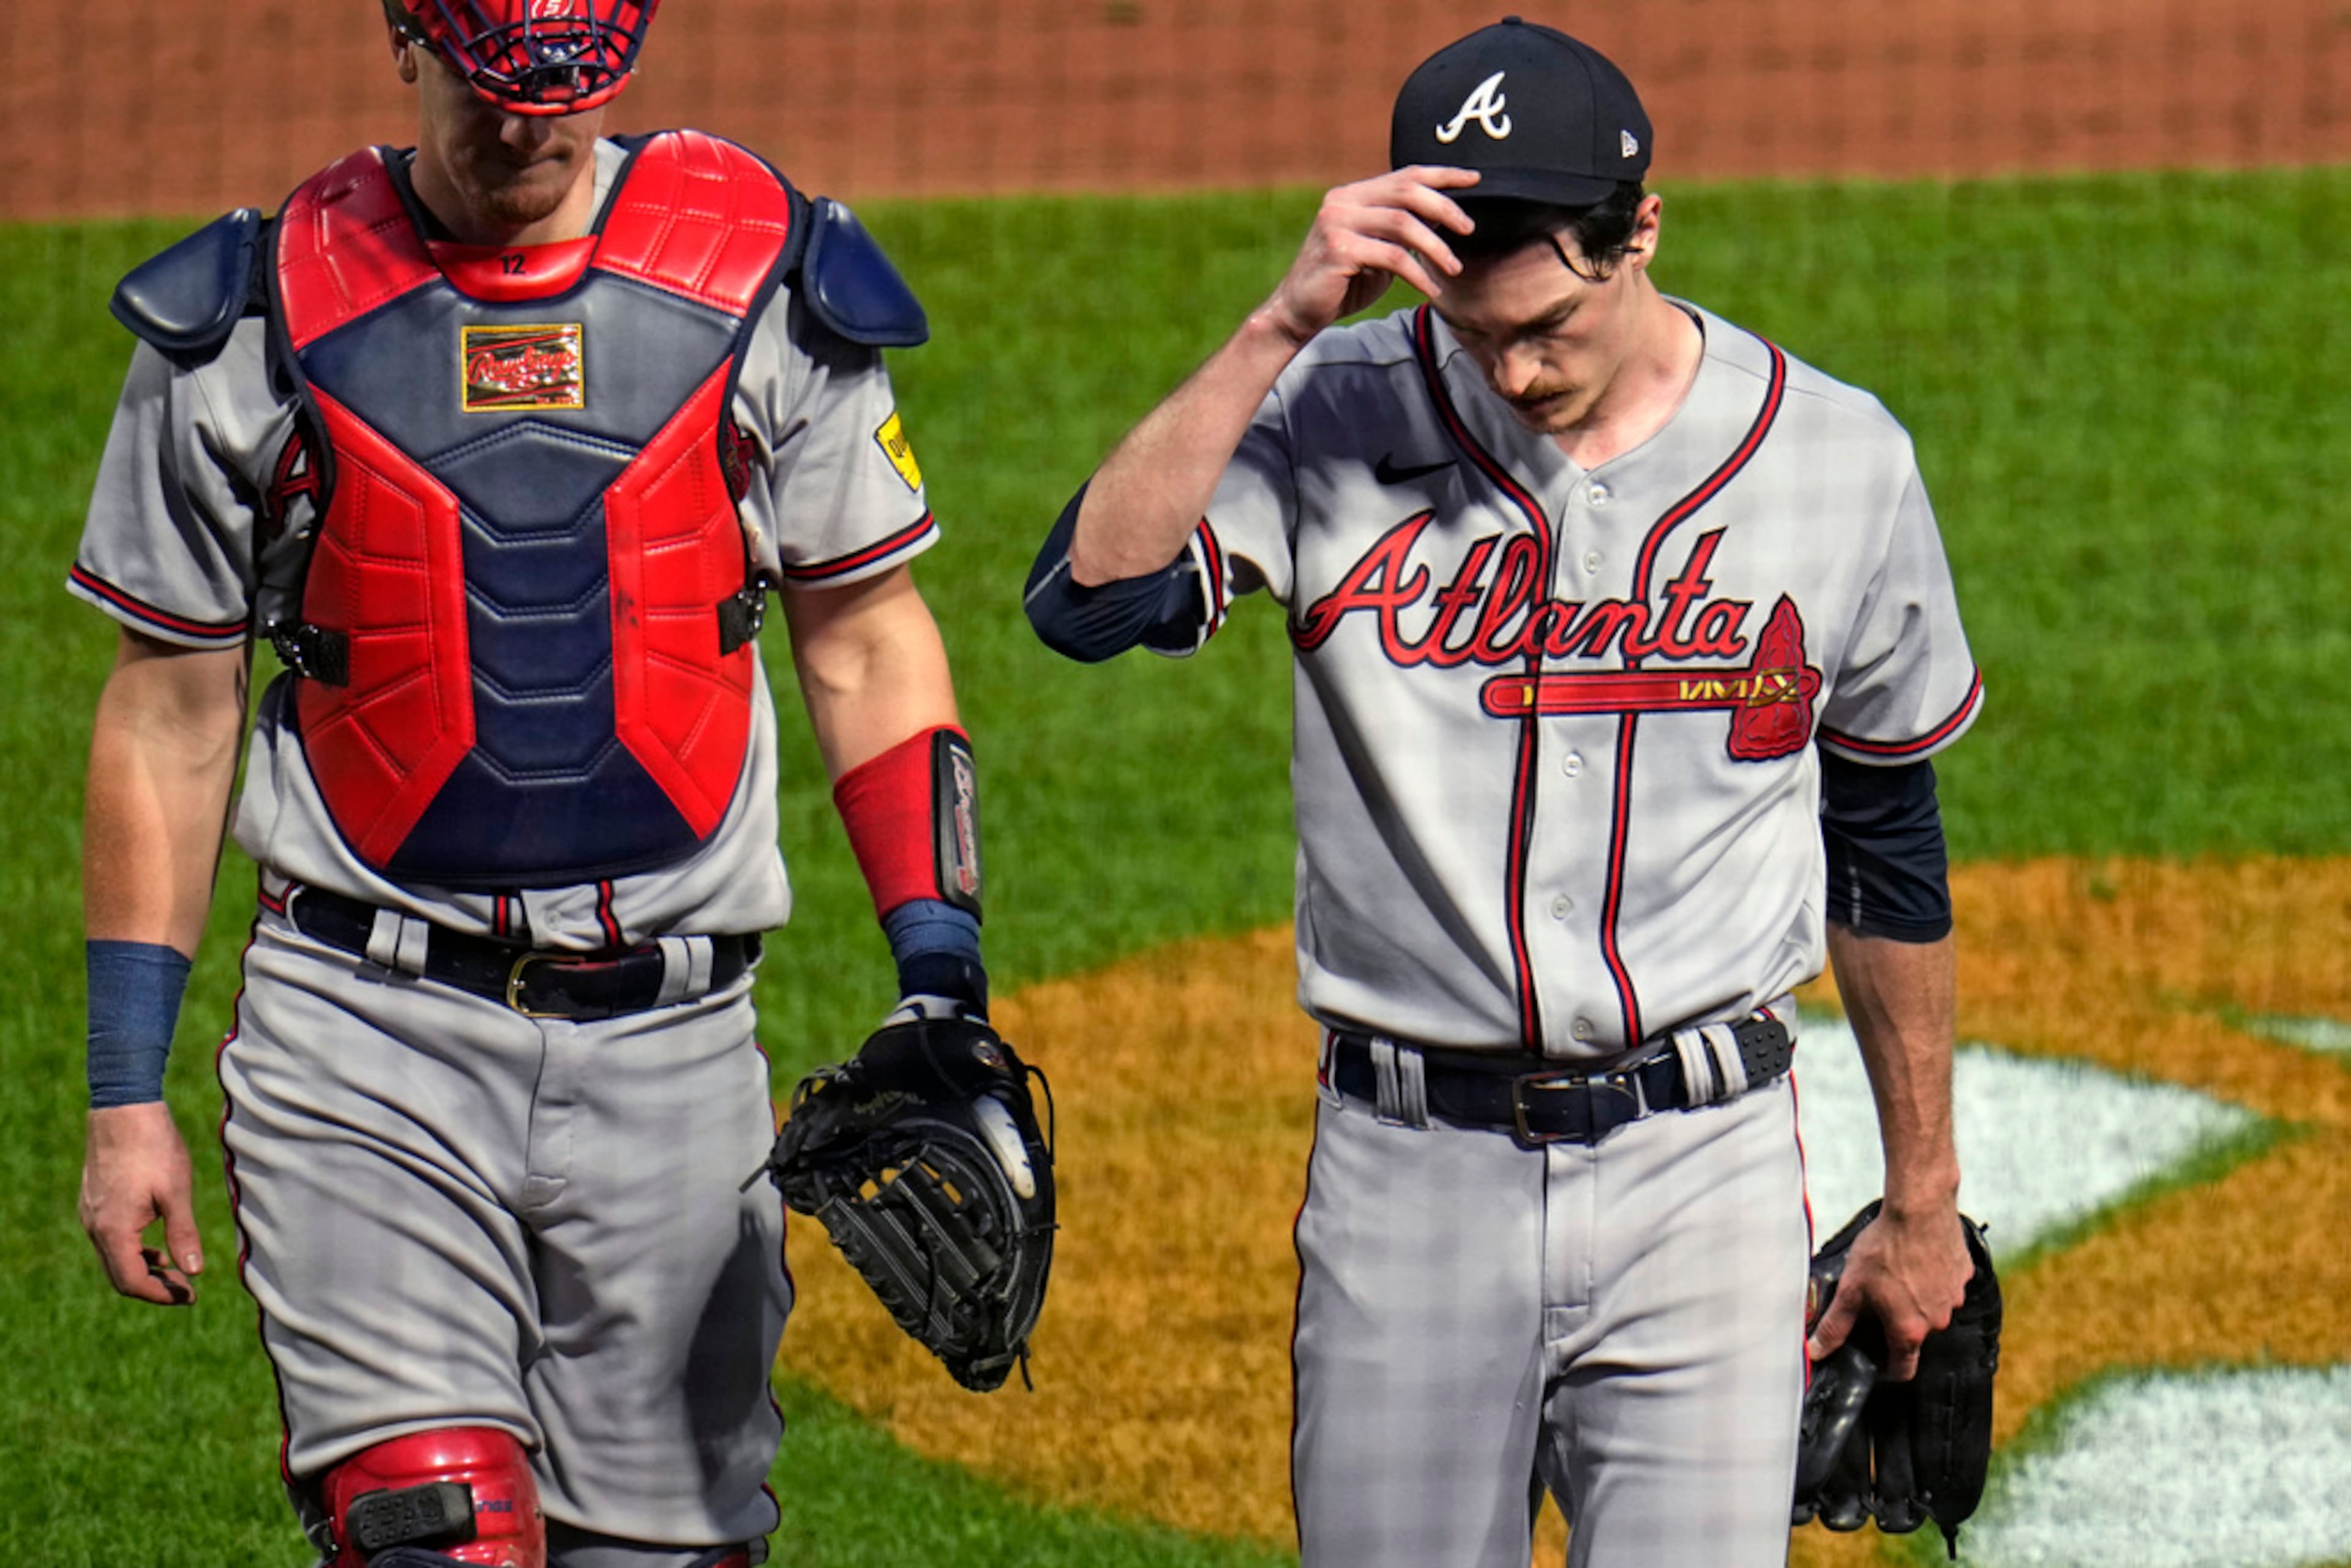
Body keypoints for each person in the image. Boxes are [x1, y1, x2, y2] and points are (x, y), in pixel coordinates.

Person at [1024, 18, 1982, 1567]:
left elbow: (1886, 830)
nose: (1512, 369)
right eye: (1472, 332)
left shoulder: (1836, 459)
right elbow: (1086, 602)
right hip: (1411, 1178)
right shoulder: (1339, 403)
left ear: (1640, 231)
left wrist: (1921, 1197)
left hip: (1704, 1175)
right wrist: (1278, 326)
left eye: (1545, 324)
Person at [71, 3, 989, 1564]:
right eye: (491, 88)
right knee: (434, 1529)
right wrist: (122, 1091)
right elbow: (168, 713)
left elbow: (868, 641)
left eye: (571, 93)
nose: (530, 131)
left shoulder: (761, 278)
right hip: (369, 1042)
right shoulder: (254, 315)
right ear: (402, 39)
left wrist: (942, 971)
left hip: (682, 1055)